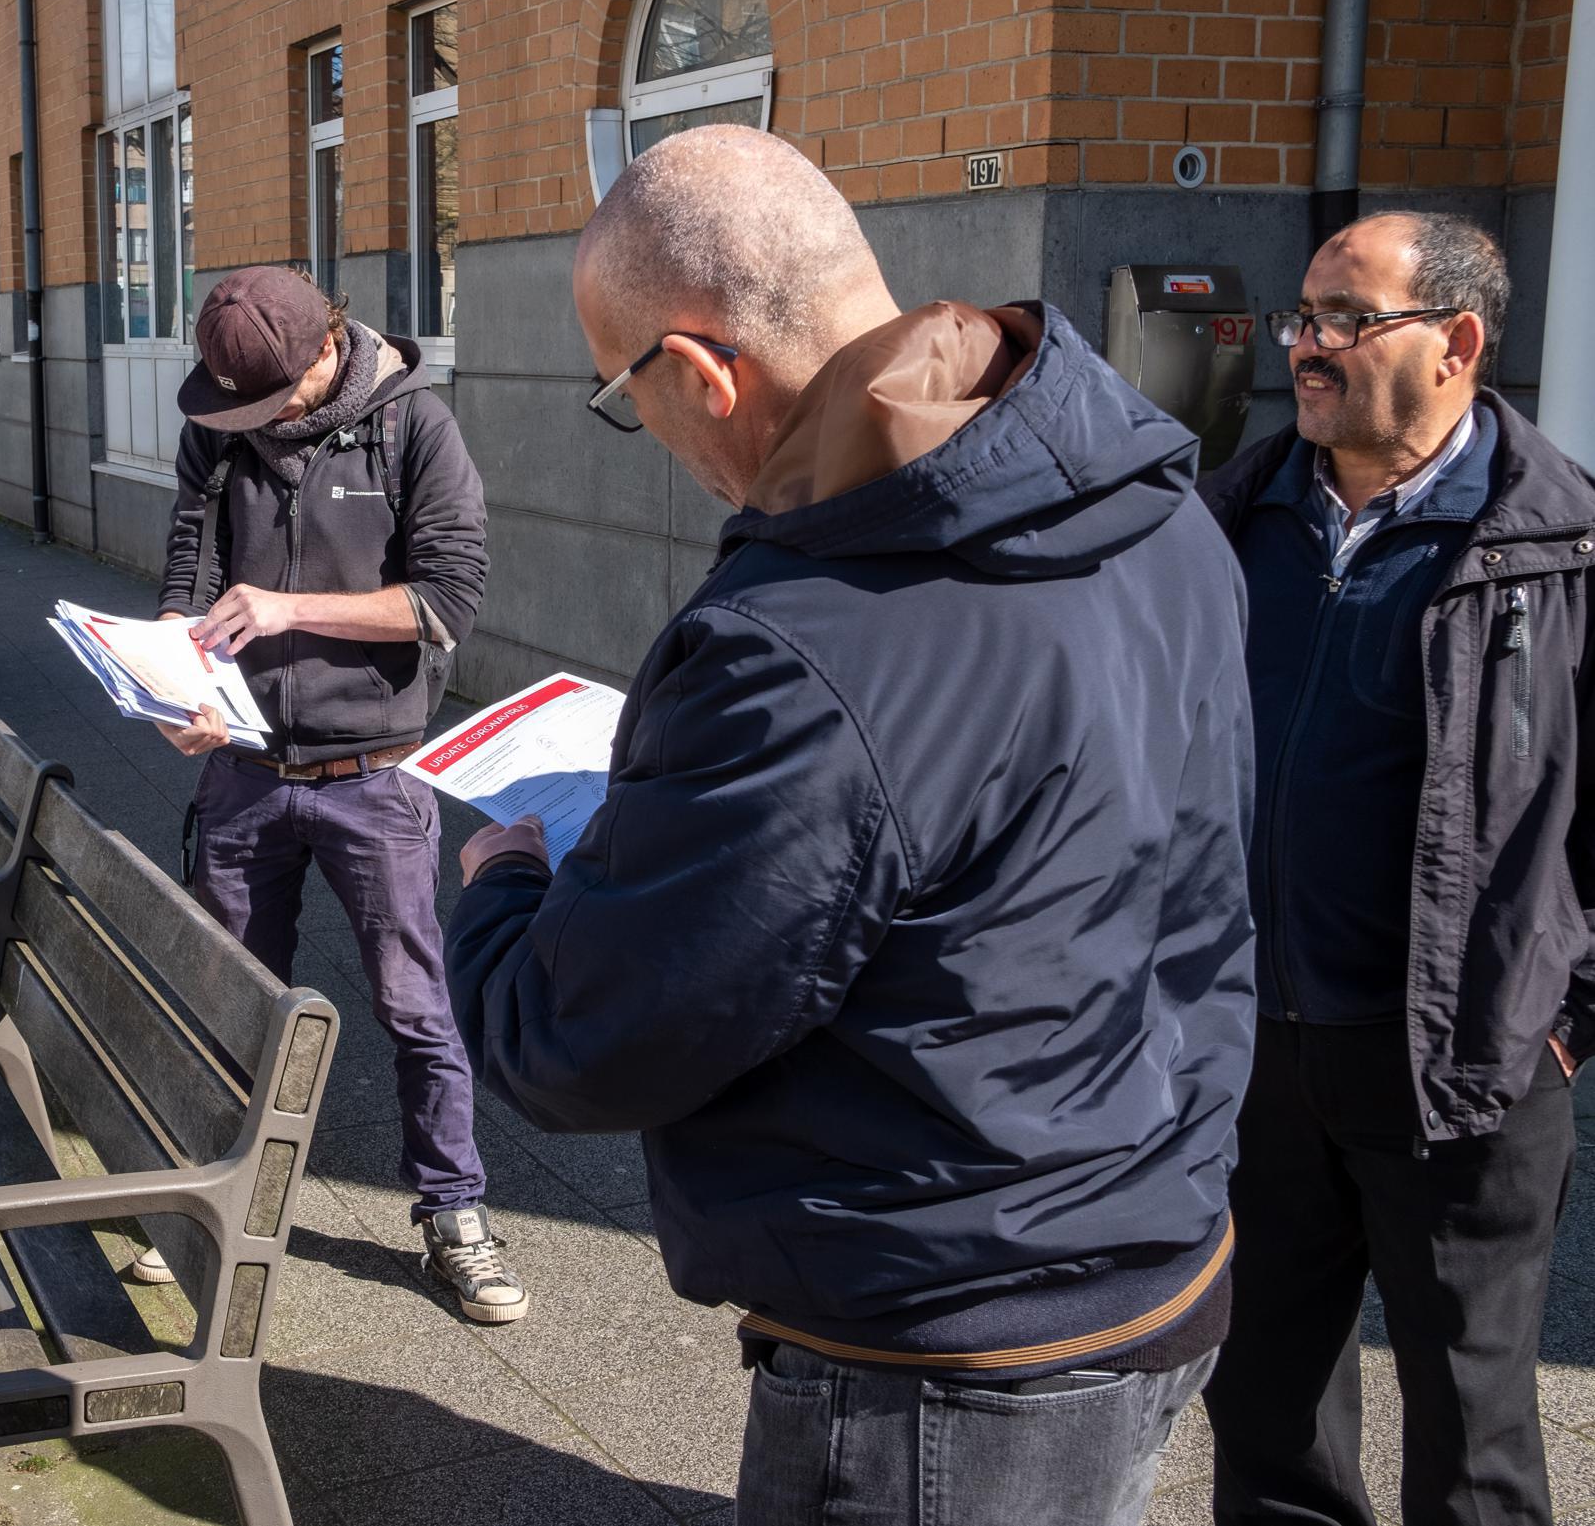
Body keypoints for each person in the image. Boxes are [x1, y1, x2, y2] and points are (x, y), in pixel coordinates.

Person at [444, 126, 1256, 1521]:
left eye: (624, 392)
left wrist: (501, 886)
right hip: (1156, 1246)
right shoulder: (1143, 498)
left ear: (699, 370)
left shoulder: (808, 646)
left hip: (945, 1358)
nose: (649, 429)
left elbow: (580, 1038)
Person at [1197, 212, 1589, 1525]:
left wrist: (1559, 1021)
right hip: (1253, 1054)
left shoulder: (1558, 548)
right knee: (1262, 1407)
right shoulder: (1232, 516)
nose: (1305, 349)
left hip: (1464, 1070)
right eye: (1299, 318)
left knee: (1470, 1435)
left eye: (1344, 322)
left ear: (1456, 343)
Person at [153, 266, 524, 1323]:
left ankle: (453, 1212)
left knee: (416, 1004)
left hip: (373, 773)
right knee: (228, 999)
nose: (248, 425)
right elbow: (186, 569)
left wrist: (286, 610)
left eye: (267, 402)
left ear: (325, 353)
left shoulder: (415, 428)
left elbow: (447, 601)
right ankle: (206, 1201)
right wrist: (178, 687)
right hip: (242, 768)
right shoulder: (216, 428)